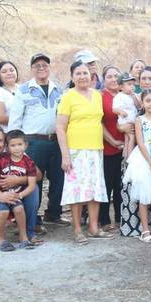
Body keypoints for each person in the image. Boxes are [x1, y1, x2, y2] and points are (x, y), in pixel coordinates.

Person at [8, 53, 69, 229]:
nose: (41, 68)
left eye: (44, 65)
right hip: (33, 142)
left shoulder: (58, 89)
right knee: (33, 180)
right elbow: (15, 119)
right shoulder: (24, 90)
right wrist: (15, 145)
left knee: (58, 179)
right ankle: (32, 219)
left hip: (56, 140)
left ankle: (54, 213)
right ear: (31, 69)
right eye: (37, 65)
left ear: (49, 68)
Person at [56, 61, 114, 244]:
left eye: (85, 73)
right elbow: (60, 127)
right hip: (75, 150)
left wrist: (113, 141)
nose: (82, 76)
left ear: (91, 76)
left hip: (95, 149)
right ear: (72, 77)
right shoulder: (68, 97)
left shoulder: (97, 95)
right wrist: (65, 155)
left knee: (95, 189)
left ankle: (93, 227)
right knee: (76, 190)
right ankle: (77, 230)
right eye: (78, 73)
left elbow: (99, 123)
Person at [119, 67, 151, 237]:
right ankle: (145, 230)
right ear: (142, 103)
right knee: (144, 193)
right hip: (144, 158)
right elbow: (140, 142)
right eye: (148, 101)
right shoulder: (139, 120)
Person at [0, 129, 40, 250]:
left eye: (19, 144)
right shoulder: (2, 159)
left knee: (19, 208)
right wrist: (0, 195)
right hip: (0, 195)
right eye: (13, 145)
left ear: (26, 145)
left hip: (15, 196)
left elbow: (32, 185)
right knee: (3, 211)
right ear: (7, 147)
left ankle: (24, 238)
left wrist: (20, 195)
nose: (17, 148)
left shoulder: (29, 162)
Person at [100, 65, 125, 231]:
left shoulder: (125, 95)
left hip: (126, 147)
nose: (114, 79)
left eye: (116, 76)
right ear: (104, 80)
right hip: (107, 147)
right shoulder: (101, 97)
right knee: (107, 184)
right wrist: (112, 140)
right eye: (109, 76)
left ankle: (120, 218)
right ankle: (104, 220)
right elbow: (99, 122)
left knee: (120, 185)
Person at [112, 72, 140, 157]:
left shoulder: (133, 95)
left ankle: (125, 154)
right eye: (129, 84)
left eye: (133, 84)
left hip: (132, 119)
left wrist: (134, 96)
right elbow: (114, 109)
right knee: (132, 136)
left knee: (127, 138)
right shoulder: (119, 96)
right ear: (121, 87)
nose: (132, 86)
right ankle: (129, 156)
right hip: (125, 120)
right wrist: (121, 111)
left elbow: (138, 106)